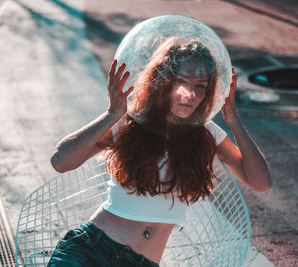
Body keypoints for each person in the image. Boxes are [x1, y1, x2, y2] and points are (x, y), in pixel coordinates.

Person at [47, 37, 272, 267]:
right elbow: (60, 161)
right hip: (91, 250)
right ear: (163, 81)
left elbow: (261, 182)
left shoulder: (206, 133)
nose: (190, 94)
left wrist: (233, 120)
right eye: (182, 81)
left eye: (200, 87)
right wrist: (112, 114)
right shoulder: (132, 123)